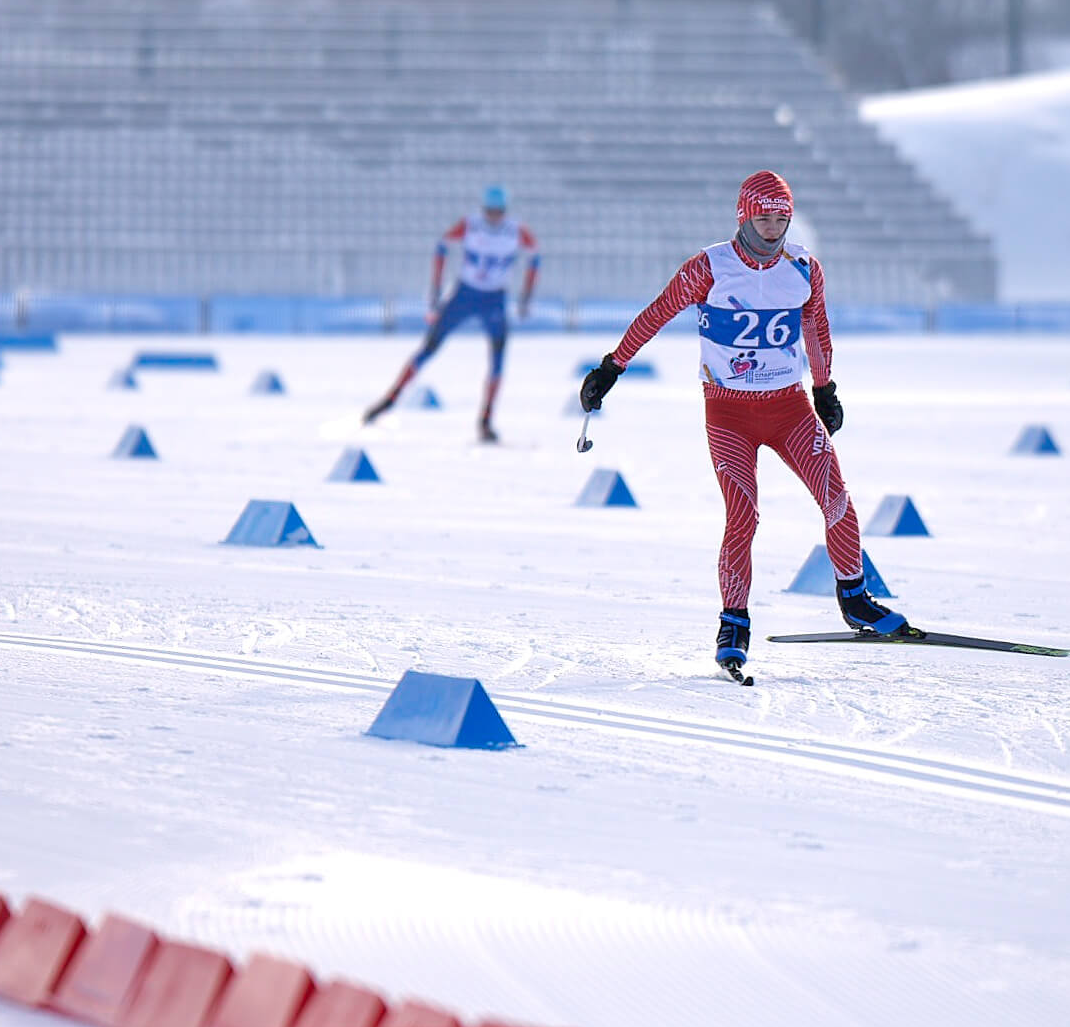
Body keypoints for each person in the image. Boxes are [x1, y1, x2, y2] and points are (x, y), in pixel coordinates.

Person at [579, 170, 906, 683]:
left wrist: (824, 390)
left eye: (782, 218)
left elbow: (817, 330)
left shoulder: (803, 267)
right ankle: (733, 624)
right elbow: (656, 314)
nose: (774, 228)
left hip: (789, 408)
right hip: (729, 413)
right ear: (743, 216)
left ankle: (855, 597)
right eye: (763, 217)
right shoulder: (709, 267)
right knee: (744, 515)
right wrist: (611, 367)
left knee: (837, 499)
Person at [364, 184, 538, 441]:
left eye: (498, 212)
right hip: (465, 294)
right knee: (429, 347)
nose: (493, 217)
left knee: (498, 359)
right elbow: (442, 247)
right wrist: (435, 288)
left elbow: (535, 256)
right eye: (490, 211)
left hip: (494, 297)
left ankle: (486, 420)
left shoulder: (515, 230)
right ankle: (390, 399)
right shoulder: (471, 224)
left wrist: (526, 295)